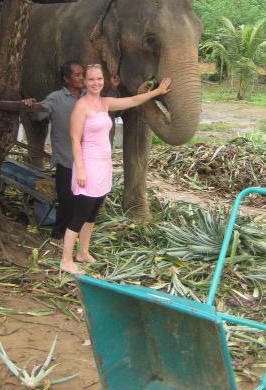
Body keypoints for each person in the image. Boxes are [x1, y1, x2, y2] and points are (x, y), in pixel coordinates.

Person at [60, 64, 171, 274]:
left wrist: (156, 92)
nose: (96, 83)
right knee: (80, 213)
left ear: (104, 80)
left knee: (93, 212)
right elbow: (75, 140)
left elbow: (132, 100)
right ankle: (66, 260)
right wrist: (81, 171)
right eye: (91, 79)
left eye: (99, 79)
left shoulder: (105, 103)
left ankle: (82, 252)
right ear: (84, 81)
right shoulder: (81, 106)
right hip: (88, 164)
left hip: (104, 164)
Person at [22, 61, 84, 244]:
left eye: (83, 74)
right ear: (66, 79)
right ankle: (58, 235)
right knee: (67, 198)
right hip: (66, 157)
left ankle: (75, 234)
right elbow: (38, 114)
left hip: (87, 158)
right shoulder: (56, 98)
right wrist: (30, 105)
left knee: (82, 199)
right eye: (77, 75)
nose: (81, 78)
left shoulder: (89, 96)